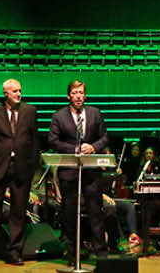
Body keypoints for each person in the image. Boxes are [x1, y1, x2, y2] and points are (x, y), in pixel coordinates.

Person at [0, 78, 39, 268]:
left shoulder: (30, 111)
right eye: (15, 91)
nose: (19, 94)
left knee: (18, 213)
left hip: (21, 169)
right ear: (6, 94)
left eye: (20, 90)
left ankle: (14, 252)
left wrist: (32, 168)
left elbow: (35, 141)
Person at [49, 79, 111, 256]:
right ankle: (72, 254)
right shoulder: (59, 116)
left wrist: (94, 147)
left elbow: (105, 137)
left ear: (85, 95)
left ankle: (101, 254)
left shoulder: (95, 113)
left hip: (91, 173)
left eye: (81, 93)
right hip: (69, 172)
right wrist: (74, 149)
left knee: (95, 214)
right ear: (69, 95)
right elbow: (53, 141)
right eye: (75, 93)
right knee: (69, 216)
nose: (78, 96)